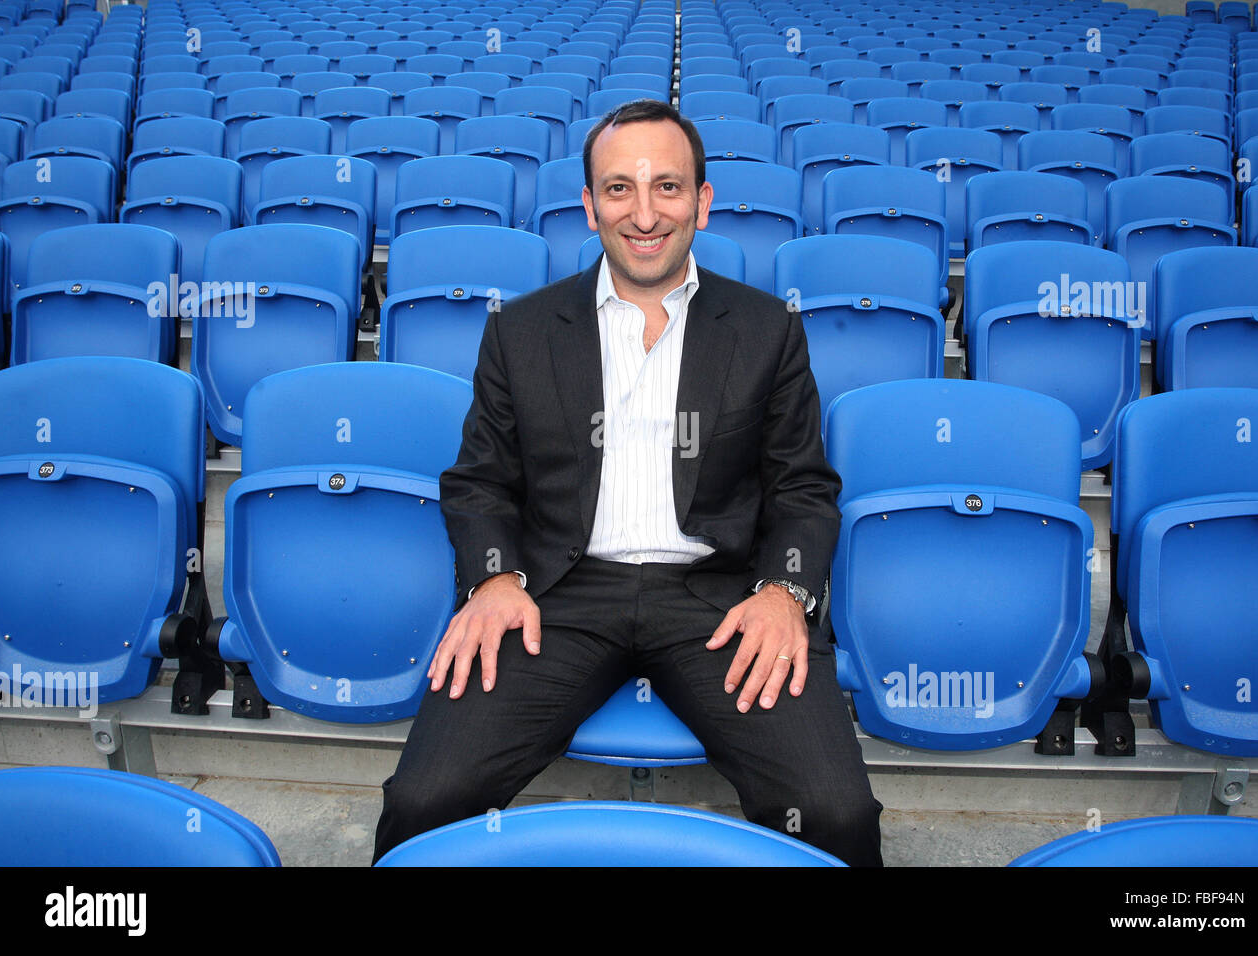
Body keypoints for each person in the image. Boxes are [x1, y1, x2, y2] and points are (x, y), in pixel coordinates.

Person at [373, 99, 883, 866]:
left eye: (668, 188)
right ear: (588, 206)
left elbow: (803, 490)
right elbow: (479, 481)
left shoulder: (767, 329)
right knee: (422, 803)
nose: (644, 214)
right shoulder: (521, 332)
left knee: (834, 813)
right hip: (558, 596)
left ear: (703, 203)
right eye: (619, 189)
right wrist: (493, 580)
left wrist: (786, 593)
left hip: (719, 599)